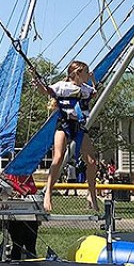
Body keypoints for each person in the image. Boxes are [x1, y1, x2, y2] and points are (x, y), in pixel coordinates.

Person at [34, 60, 99, 213]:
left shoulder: (85, 88)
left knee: (92, 161)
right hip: (64, 125)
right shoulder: (62, 86)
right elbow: (46, 91)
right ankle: (48, 192)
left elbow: (96, 93)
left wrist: (94, 80)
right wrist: (37, 83)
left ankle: (92, 193)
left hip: (79, 127)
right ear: (77, 73)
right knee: (58, 157)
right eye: (86, 73)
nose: (88, 76)